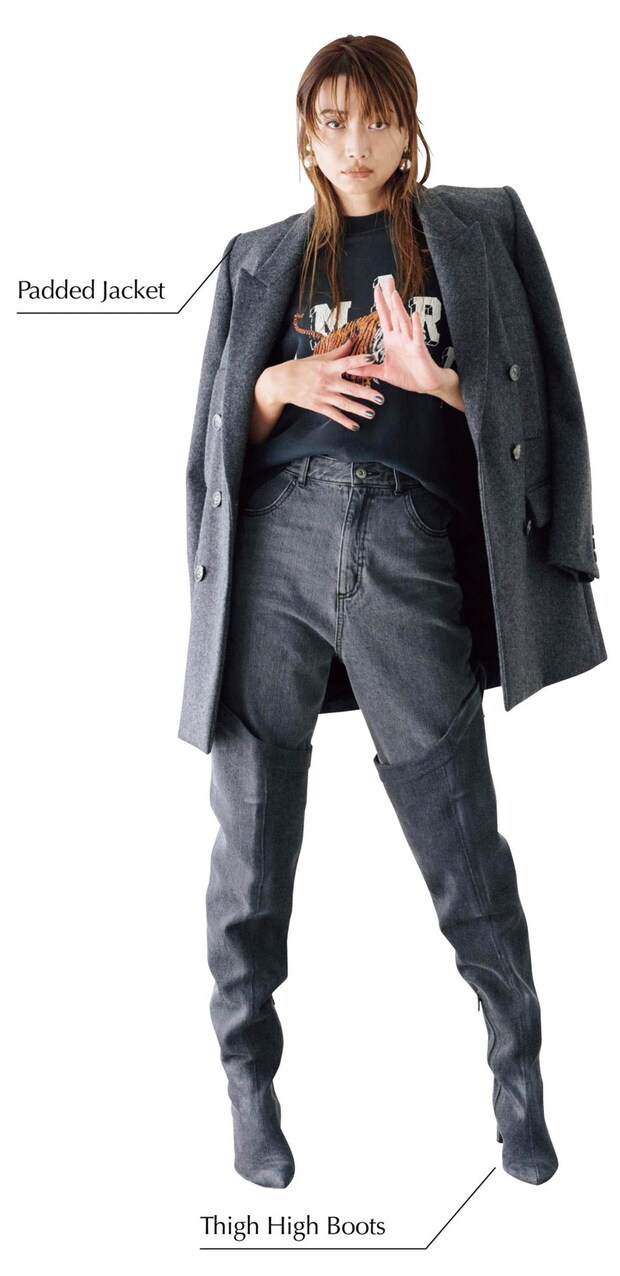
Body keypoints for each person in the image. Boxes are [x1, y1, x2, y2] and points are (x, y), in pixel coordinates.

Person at [180, 33, 605, 1190]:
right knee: (248, 851)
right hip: (272, 552)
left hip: (404, 546)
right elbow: (209, 451)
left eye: (375, 118)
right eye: (332, 121)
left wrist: (438, 383)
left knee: (460, 835)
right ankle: (247, 1089)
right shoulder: (257, 258)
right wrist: (274, 387)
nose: (354, 142)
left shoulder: (477, 228)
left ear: (408, 126)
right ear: (304, 135)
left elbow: (538, 405)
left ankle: (517, 1085)